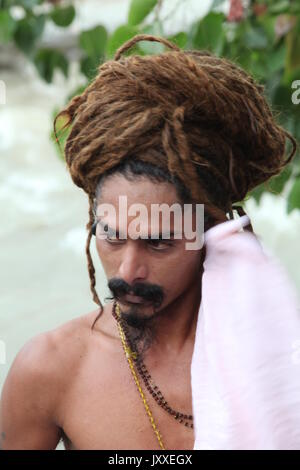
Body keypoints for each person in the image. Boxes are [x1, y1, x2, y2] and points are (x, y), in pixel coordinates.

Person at [0, 34, 297, 450]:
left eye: (158, 243)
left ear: (209, 230)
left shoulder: (276, 362)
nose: (127, 271)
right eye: (112, 235)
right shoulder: (51, 370)